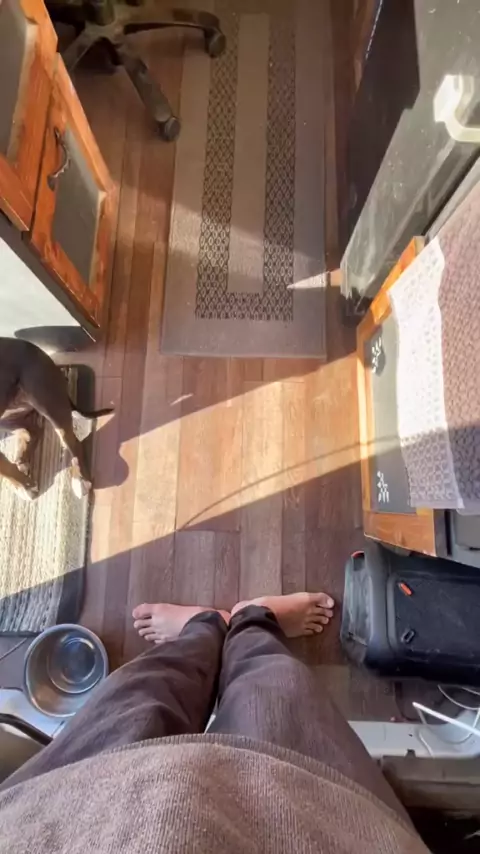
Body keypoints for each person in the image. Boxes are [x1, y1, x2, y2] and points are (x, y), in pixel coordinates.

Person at [0, 592, 428, 853]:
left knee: (140, 695)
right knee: (275, 692)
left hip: (56, 811)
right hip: (317, 821)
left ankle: (205, 627)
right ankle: (251, 621)